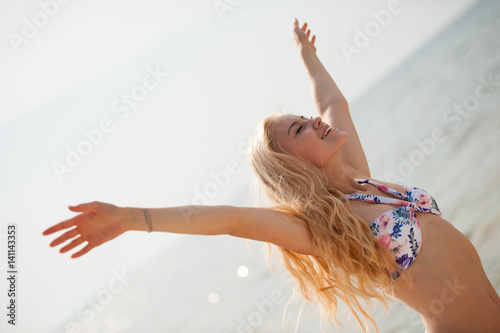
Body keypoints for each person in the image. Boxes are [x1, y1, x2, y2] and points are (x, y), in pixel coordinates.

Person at [43, 19, 500, 333]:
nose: (315, 121)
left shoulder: (363, 180)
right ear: (292, 166)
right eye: (300, 128)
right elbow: (231, 220)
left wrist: (308, 57)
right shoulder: (321, 228)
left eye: (304, 117)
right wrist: (131, 217)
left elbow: (332, 104)